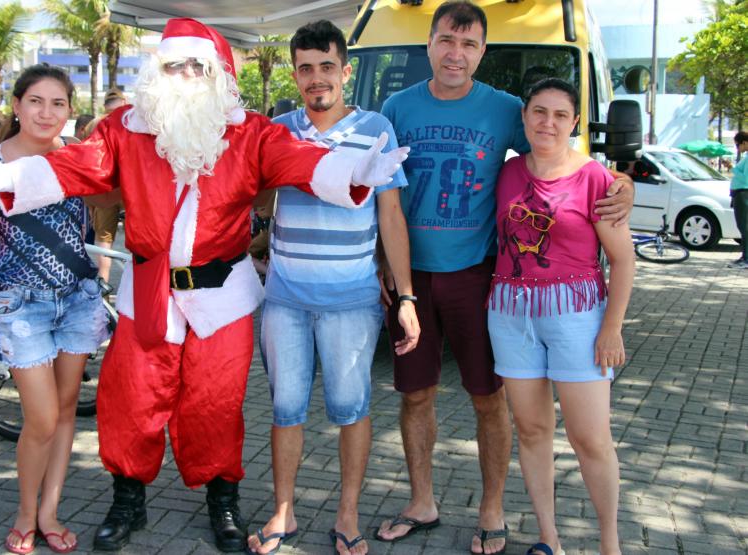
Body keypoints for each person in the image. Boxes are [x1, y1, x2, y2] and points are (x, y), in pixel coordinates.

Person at [0, 17, 407, 553]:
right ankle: (127, 499)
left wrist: (352, 169)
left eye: (197, 66)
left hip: (222, 296)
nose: (186, 75)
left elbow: (299, 159)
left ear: (217, 75)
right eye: (175, 66)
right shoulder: (126, 129)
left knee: (215, 402)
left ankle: (222, 502)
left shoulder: (250, 132)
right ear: (158, 73)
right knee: (131, 400)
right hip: (148, 291)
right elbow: (78, 165)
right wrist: (10, 176)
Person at [375, 3, 633, 554]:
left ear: (482, 53)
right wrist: (387, 271)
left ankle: (491, 509)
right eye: (447, 40)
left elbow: (556, 144)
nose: (455, 54)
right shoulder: (396, 106)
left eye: (468, 45)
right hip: (412, 278)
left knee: (488, 398)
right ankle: (422, 501)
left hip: (479, 276)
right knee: (415, 395)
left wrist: (616, 183)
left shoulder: (505, 109)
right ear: (429, 43)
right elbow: (382, 192)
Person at [244, 20, 420, 555]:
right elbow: (257, 204)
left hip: (351, 300)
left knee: (351, 408)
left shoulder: (377, 128)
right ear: (295, 75)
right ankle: (283, 512)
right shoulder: (278, 130)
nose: (315, 78)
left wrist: (406, 296)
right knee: (285, 409)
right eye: (305, 69)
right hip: (285, 299)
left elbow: (391, 217)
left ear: (345, 71)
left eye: (326, 67)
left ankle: (347, 515)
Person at [488, 77, 634, 555]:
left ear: (574, 123)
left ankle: (609, 544)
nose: (547, 122)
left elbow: (624, 259)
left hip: (577, 316)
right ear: (525, 116)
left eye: (559, 115)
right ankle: (548, 538)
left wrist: (611, 328)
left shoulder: (595, 178)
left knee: (589, 437)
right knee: (531, 431)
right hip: (510, 314)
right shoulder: (507, 172)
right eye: (538, 111)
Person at [0, 64, 111, 555]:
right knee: (39, 417)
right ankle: (24, 511)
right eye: (35, 100)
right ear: (16, 105)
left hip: (78, 300)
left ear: (70, 112)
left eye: (58, 104)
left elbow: (107, 202)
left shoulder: (76, 158)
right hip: (22, 306)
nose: (46, 112)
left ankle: (50, 512)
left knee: (62, 411)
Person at [91, 89, 129, 282]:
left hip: (105, 188)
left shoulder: (96, 123)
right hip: (125, 189)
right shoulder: (132, 121)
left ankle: (103, 287)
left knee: (103, 240)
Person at [728, 130, 747, 269]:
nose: (737, 148)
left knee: (744, 226)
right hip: (739, 193)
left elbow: (746, 178)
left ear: (744, 143)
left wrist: (732, 169)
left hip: (743, 193)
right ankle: (744, 257)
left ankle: (746, 259)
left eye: (737, 145)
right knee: (743, 226)